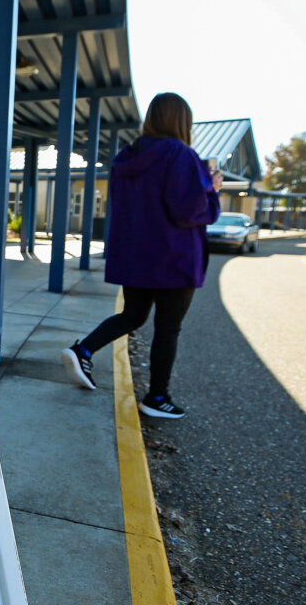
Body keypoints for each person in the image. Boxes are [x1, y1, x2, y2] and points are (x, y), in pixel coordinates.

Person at [60, 92, 221, 419]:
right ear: (182, 121)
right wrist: (212, 190)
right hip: (174, 257)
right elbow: (189, 210)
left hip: (138, 257)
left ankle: (83, 349)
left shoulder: (126, 157)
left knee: (133, 315)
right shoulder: (181, 154)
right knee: (167, 328)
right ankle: (157, 397)